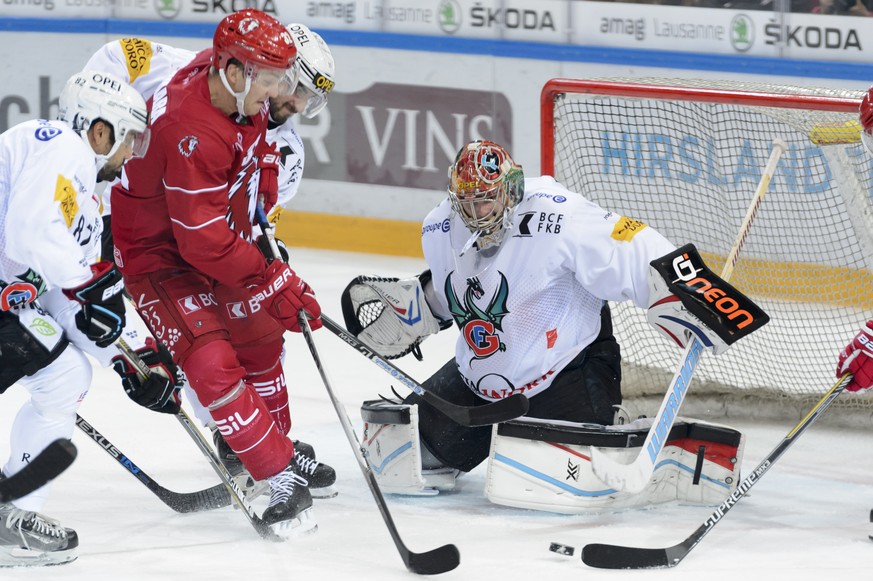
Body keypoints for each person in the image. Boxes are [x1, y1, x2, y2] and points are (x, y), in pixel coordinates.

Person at [342, 140, 756, 509]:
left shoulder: (557, 216)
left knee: (552, 487)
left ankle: (664, 449)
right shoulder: (439, 225)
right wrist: (423, 307)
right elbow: (463, 285)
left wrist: (685, 287)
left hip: (565, 374)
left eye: (486, 200)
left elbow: (631, 242)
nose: (476, 212)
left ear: (511, 190)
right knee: (396, 458)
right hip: (479, 382)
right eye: (466, 201)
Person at [84, 22, 338, 499]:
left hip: (203, 245)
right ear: (246, 70)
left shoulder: (283, 143)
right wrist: (105, 173)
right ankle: (244, 444)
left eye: (307, 94)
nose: (296, 102)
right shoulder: (190, 74)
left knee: (253, 337)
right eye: (295, 86)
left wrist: (269, 276)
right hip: (138, 229)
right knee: (189, 352)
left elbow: (248, 225)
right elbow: (116, 57)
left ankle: (248, 442)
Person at [0, 69, 155, 566]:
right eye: (129, 138)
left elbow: (72, 297)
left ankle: (11, 517)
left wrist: (134, 357)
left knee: (65, 375)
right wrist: (91, 285)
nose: (132, 153)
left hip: (7, 307)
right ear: (100, 130)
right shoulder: (58, 144)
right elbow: (27, 236)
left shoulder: (86, 197)